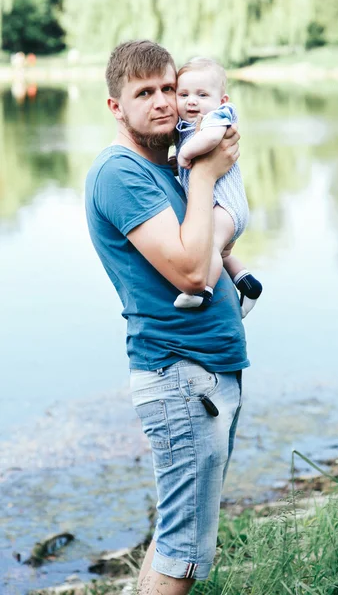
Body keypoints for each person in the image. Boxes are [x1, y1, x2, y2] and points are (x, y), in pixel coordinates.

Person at [85, 40, 249, 595]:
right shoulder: (119, 173)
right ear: (115, 106)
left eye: (167, 89)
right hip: (179, 375)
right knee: (184, 553)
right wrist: (205, 177)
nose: (163, 103)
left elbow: (210, 249)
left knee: (178, 534)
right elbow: (190, 273)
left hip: (206, 370)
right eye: (144, 93)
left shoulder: (165, 168)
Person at [173, 57, 262, 318]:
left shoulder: (217, 118)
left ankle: (202, 291)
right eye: (184, 94)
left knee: (208, 246)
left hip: (225, 205)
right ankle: (247, 284)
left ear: (221, 100)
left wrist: (183, 155)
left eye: (202, 94)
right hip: (221, 206)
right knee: (220, 254)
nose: (192, 101)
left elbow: (210, 139)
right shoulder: (187, 125)